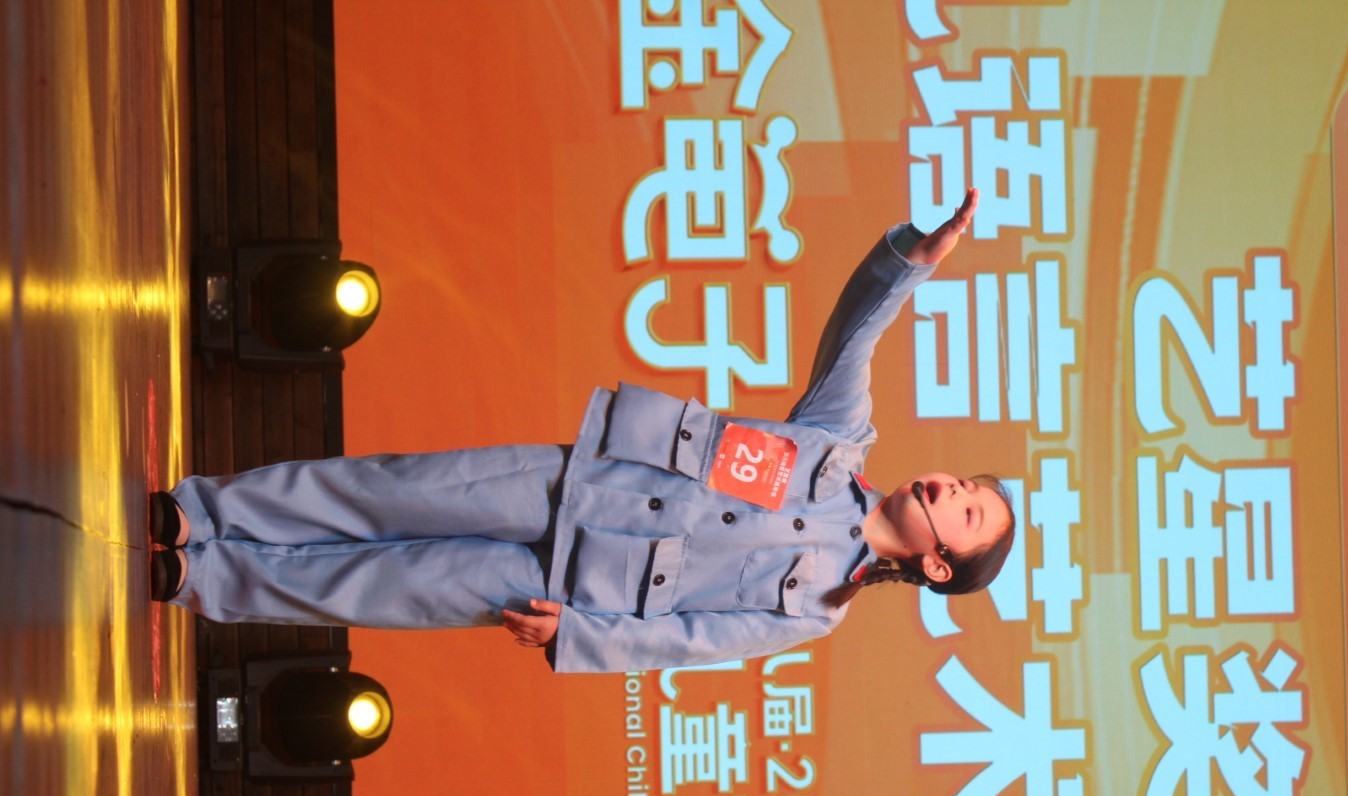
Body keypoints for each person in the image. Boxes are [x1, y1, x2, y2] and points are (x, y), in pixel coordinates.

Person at [149, 190, 1014, 673]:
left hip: (564, 581)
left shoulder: (820, 606)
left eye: (967, 511)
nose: (951, 487)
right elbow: (855, 335)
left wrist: (577, 635)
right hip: (576, 483)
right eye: (967, 484)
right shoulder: (838, 445)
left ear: (939, 565)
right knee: (381, 490)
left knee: (386, 588)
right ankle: (204, 513)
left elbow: (695, 641)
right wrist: (914, 260)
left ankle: (207, 578)